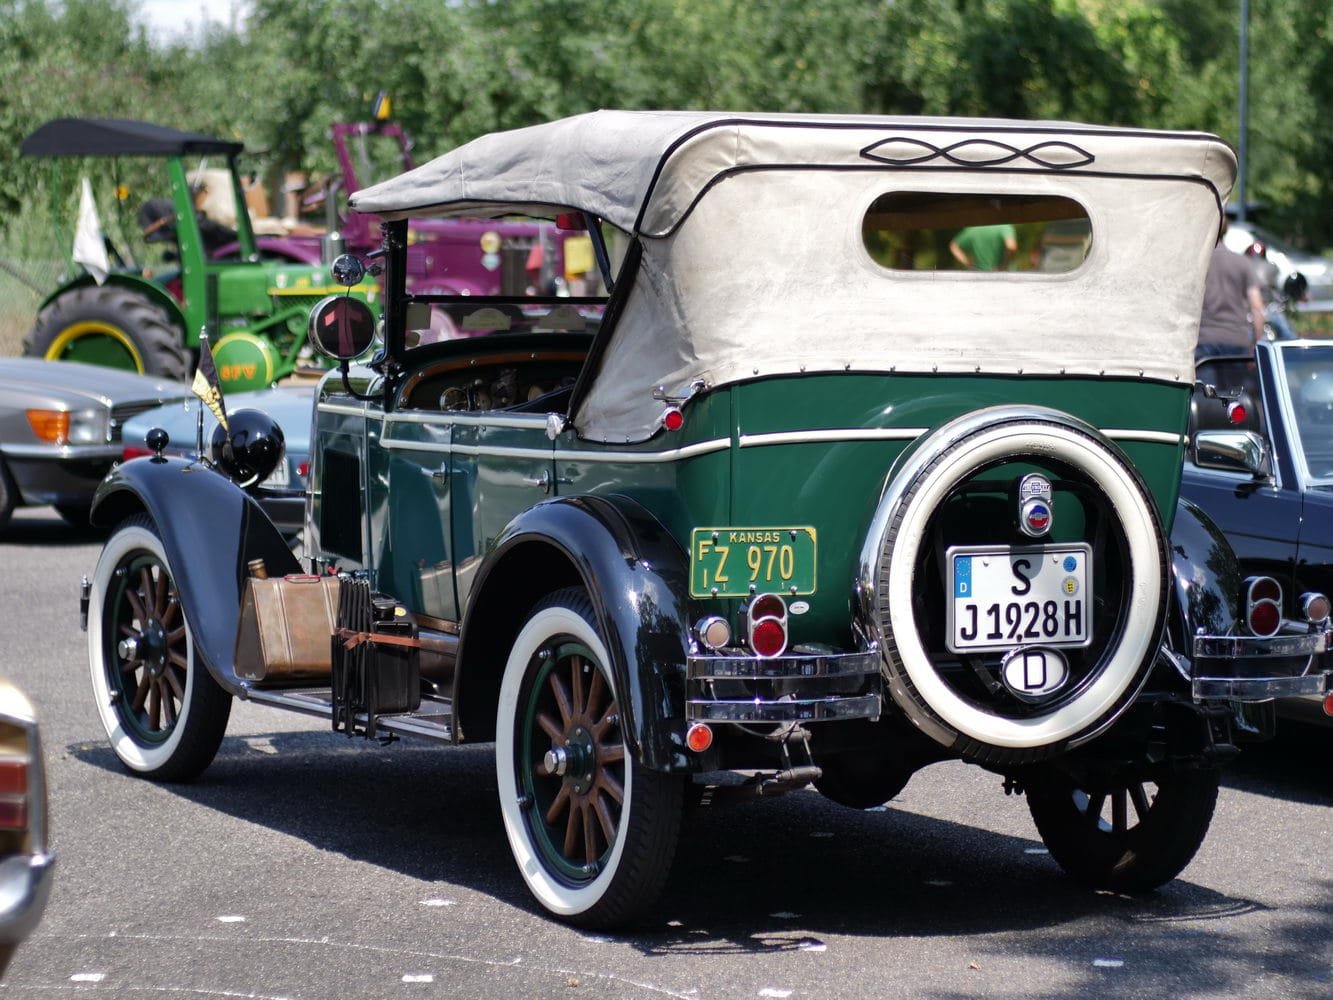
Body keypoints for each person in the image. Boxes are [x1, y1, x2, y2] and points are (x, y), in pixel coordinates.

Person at [1196, 222, 1265, 360]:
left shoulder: (1198, 263)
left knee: (1205, 382)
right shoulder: (1243, 263)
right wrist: (1257, 345)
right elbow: (1257, 307)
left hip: (1204, 340)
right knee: (1237, 383)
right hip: (1237, 340)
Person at [949, 223, 1017, 271]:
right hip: (1002, 275)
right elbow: (1011, 246)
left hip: (979, 275)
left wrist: (968, 263)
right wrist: (1004, 265)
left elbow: (954, 246)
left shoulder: (973, 229)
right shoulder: (1004, 226)